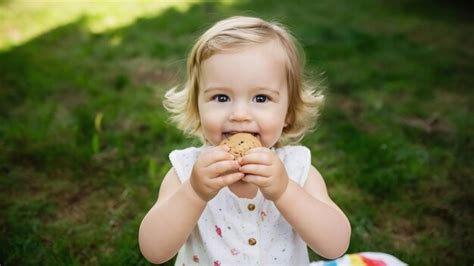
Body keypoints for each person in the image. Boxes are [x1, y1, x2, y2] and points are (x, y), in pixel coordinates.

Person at [138, 16, 351, 265]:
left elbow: (335, 245)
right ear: (197, 107)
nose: (239, 115)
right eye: (221, 97)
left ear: (288, 113)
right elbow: (154, 251)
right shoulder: (186, 172)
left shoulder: (297, 169)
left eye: (261, 98)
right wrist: (194, 192)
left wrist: (285, 191)